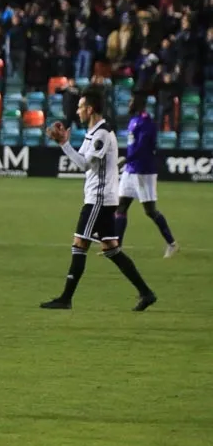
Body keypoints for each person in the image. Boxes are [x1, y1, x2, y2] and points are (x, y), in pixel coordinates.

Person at [41, 88, 157, 311]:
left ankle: (65, 299)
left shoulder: (102, 134)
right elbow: (82, 162)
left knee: (79, 244)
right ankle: (146, 293)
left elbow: (85, 165)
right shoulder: (93, 132)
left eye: (80, 107)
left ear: (90, 109)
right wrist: (64, 141)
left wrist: (63, 144)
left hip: (99, 199)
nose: (77, 111)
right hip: (100, 197)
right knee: (111, 248)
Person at [115, 93, 179, 257]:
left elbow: (142, 148)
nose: (128, 103)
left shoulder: (147, 123)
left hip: (143, 171)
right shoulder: (133, 120)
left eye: (130, 101)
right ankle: (117, 246)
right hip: (130, 170)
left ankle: (171, 243)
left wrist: (124, 160)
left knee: (150, 211)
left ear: (137, 103)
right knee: (121, 206)